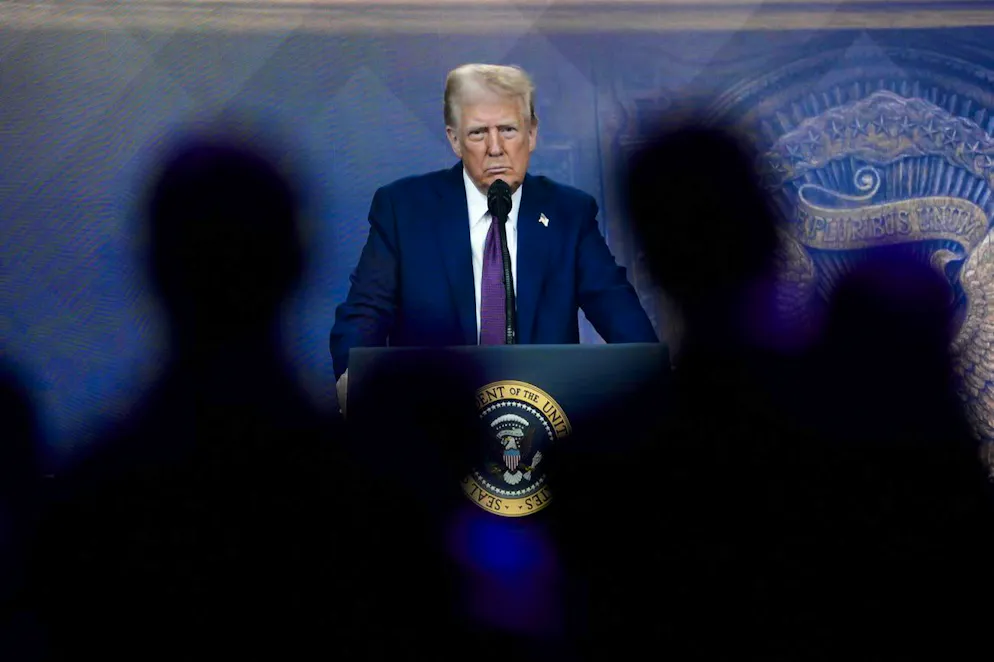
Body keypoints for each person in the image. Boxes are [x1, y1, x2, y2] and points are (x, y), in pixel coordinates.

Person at [330, 63, 657, 413]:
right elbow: (365, 314)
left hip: (543, 425)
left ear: (532, 134)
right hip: (435, 426)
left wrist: (654, 377)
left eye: (508, 129)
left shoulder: (568, 214)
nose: (495, 147)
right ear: (454, 140)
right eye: (478, 133)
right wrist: (355, 386)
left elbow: (619, 313)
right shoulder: (404, 210)